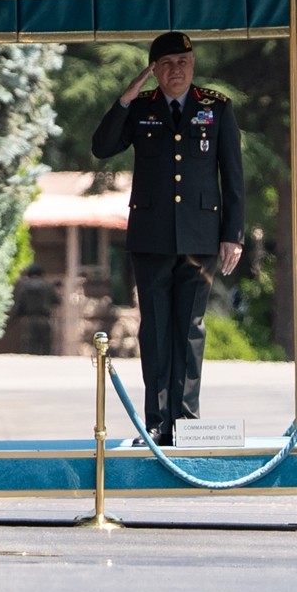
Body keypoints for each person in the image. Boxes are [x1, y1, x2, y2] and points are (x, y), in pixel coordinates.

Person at [91, 31, 244, 447]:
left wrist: (233, 235)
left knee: (190, 327)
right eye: (168, 64)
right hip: (152, 236)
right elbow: (102, 146)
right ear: (154, 69)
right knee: (156, 328)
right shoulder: (140, 109)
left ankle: (188, 419)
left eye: (183, 62)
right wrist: (125, 98)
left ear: (192, 66)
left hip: (200, 237)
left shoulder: (216, 108)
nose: (177, 70)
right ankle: (158, 422)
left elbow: (232, 176)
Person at [12, 265, 60, 355]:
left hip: (30, 320)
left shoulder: (24, 287)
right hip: (45, 319)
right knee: (46, 344)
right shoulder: (48, 286)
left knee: (31, 344)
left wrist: (17, 315)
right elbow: (57, 301)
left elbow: (20, 304)